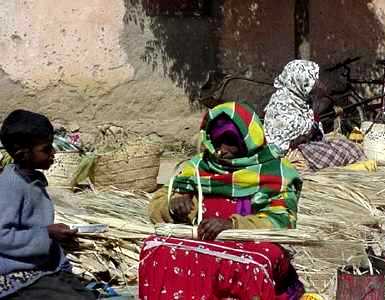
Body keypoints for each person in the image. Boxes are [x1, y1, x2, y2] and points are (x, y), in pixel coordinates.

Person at [140, 102, 304, 299]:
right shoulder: (197, 167)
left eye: (231, 142)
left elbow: (281, 221)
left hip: (252, 241)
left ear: (248, 141)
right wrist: (173, 206)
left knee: (251, 264)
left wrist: (232, 225)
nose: (222, 150)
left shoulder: (276, 174)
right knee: (155, 248)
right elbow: (156, 205)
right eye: (217, 142)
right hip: (200, 238)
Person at [0, 110, 95, 299]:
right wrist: (47, 233)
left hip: (41, 267)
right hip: (16, 275)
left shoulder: (33, 181)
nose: (53, 153)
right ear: (22, 153)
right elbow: (2, 235)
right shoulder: (11, 185)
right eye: (46, 149)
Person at [263, 60, 365, 170]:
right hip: (288, 153)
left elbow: (313, 124)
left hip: (306, 145)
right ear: (299, 81)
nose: (315, 84)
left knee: (349, 146)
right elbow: (297, 129)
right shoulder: (281, 103)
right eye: (311, 82)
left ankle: (358, 162)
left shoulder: (301, 99)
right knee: (338, 152)